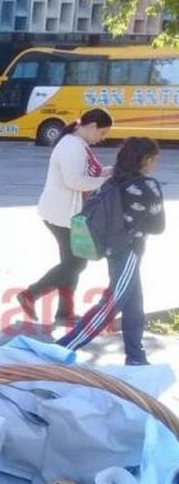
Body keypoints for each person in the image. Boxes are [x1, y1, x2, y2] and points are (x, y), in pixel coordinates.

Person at [58, 137, 165, 365]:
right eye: (155, 159)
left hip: (112, 248)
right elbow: (158, 226)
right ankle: (64, 346)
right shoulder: (148, 186)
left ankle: (136, 357)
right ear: (146, 159)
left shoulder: (112, 181)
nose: (155, 163)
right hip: (130, 250)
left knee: (134, 303)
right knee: (112, 303)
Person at [16, 108, 114, 324]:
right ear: (91, 127)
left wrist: (108, 172)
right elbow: (75, 181)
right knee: (75, 264)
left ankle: (64, 313)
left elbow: (86, 175)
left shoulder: (78, 144)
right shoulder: (71, 146)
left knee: (71, 263)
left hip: (65, 213)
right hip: (62, 215)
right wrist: (105, 179)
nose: (102, 138)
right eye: (102, 132)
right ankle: (30, 295)